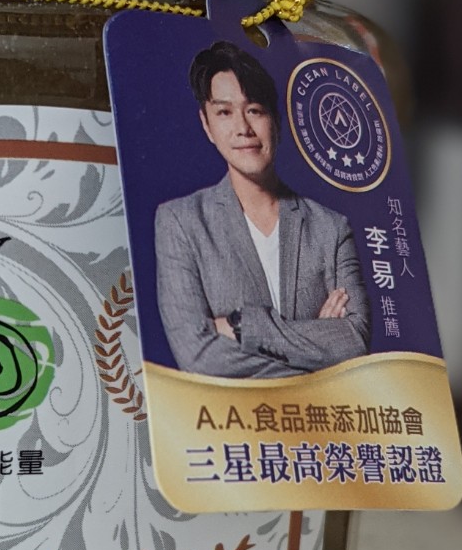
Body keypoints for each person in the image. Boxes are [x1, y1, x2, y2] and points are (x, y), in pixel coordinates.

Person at [154, 39, 370, 378]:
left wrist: (243, 325)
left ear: (276, 122)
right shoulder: (181, 222)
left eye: (255, 110)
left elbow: (354, 341)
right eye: (224, 112)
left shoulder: (330, 228)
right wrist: (315, 356)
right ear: (207, 125)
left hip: (326, 413)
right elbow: (197, 356)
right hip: (230, 414)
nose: (243, 128)